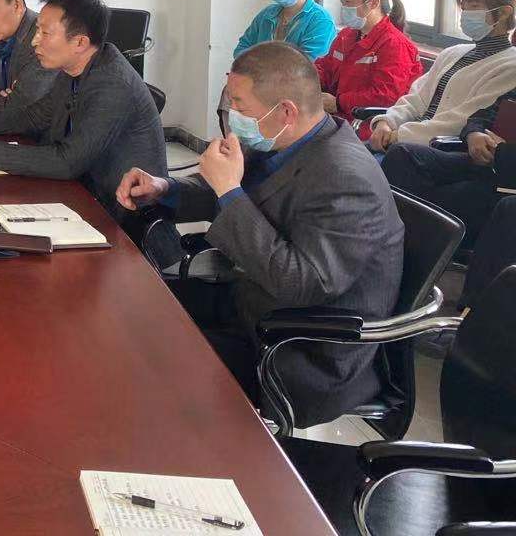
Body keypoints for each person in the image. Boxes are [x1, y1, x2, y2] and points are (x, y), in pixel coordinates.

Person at [116, 41, 404, 428]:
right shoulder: (283, 139)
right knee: (129, 311)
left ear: (286, 111)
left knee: (144, 365)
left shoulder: (345, 178)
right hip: (249, 303)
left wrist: (229, 190)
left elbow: (301, 283)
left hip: (298, 348)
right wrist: (164, 188)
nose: (232, 116)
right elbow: (229, 194)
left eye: (239, 106)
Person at [0, 0, 166, 217]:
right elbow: (34, 116)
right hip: (80, 193)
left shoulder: (112, 84)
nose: (34, 41)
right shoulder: (73, 69)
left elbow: (67, 162)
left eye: (45, 33)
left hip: (121, 216)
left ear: (80, 43)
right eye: (37, 31)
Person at [368, 0, 516, 151]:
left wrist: (399, 135)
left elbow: (462, 119)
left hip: (436, 148)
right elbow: (416, 98)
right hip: (401, 140)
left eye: (474, 7)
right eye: (464, 8)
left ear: (504, 12)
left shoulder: (510, 65)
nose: (465, 14)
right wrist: (386, 122)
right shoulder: (453, 52)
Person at [382, 84, 516, 249]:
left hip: (507, 180)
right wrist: (474, 133)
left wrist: (501, 151)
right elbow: (483, 115)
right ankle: (386, 242)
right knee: (403, 154)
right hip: (486, 160)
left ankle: (404, 250)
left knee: (459, 195)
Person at [313, 0, 423, 141]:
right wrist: (304, 79)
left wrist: (338, 103)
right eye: (342, 3)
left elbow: (386, 96)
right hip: (336, 119)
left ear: (373, 3)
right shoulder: (346, 36)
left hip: (368, 126)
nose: (344, 8)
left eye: (348, 2)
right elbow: (325, 68)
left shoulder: (395, 44)